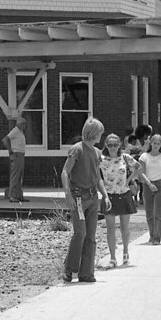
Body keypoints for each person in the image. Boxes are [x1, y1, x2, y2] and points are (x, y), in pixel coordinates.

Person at [61, 117, 110, 283]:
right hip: (79, 197)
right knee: (80, 233)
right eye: (100, 133)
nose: (101, 136)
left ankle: (86, 272)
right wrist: (67, 194)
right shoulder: (77, 149)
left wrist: (105, 195)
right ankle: (69, 269)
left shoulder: (97, 153)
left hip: (93, 197)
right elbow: (65, 172)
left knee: (91, 235)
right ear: (93, 133)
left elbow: (98, 177)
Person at [100, 133, 141, 267]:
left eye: (115, 145)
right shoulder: (101, 159)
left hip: (124, 194)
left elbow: (139, 167)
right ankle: (112, 257)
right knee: (111, 229)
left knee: (125, 228)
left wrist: (129, 180)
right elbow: (94, 173)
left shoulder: (125, 157)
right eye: (110, 145)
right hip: (109, 196)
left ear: (119, 145)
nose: (113, 147)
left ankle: (125, 253)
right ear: (106, 145)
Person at [139, 134, 161, 244]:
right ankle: (152, 234)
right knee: (149, 214)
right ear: (151, 143)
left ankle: (157, 238)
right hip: (148, 185)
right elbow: (141, 173)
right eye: (154, 143)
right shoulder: (144, 156)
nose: (156, 146)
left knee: (158, 214)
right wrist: (149, 184)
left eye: (158, 144)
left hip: (160, 184)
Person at [1, 116, 28, 202]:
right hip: (16, 154)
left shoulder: (19, 132)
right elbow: (5, 140)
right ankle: (12, 196)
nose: (25, 126)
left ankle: (19, 195)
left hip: (21, 154)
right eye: (24, 124)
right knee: (15, 175)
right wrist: (10, 151)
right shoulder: (15, 131)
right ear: (21, 124)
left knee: (20, 176)